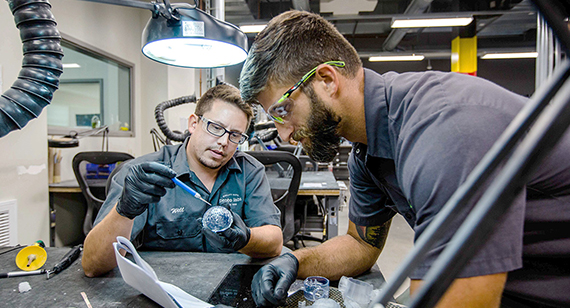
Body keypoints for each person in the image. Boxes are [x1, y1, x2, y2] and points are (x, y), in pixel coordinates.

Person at [238, 10, 570, 308]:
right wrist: (294, 262)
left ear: (327, 80)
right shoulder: (367, 153)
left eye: (282, 111)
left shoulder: (444, 131)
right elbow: (361, 245)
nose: (283, 135)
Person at [82, 84, 283, 277]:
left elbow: (274, 242)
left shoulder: (249, 171)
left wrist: (245, 238)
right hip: (160, 289)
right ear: (193, 124)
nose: (224, 142)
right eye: (216, 127)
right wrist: (124, 211)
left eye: (235, 135)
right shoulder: (144, 175)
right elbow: (92, 265)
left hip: (229, 285)